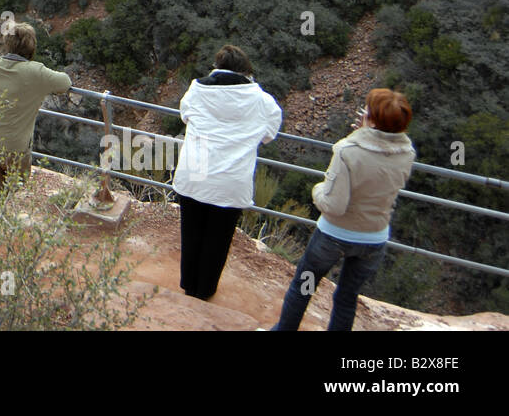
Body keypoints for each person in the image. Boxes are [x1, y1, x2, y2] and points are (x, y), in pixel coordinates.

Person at [272, 89, 415, 331]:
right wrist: (362, 136)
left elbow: (334, 205)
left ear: (372, 119)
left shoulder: (348, 150)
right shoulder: (407, 153)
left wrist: (317, 190)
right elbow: (377, 162)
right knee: (347, 299)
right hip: (374, 238)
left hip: (334, 236)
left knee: (303, 287)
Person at [172, 44, 282, 301]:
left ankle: (189, 287)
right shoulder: (263, 101)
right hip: (231, 180)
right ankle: (205, 292)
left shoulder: (197, 89)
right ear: (246, 71)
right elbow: (269, 134)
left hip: (195, 173)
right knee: (217, 240)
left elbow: (185, 116)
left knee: (192, 233)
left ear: (217, 66)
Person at [0, 21, 72, 237]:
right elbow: (65, 82)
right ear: (32, 47)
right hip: (15, 146)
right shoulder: (36, 72)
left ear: (7, 44)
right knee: (17, 180)